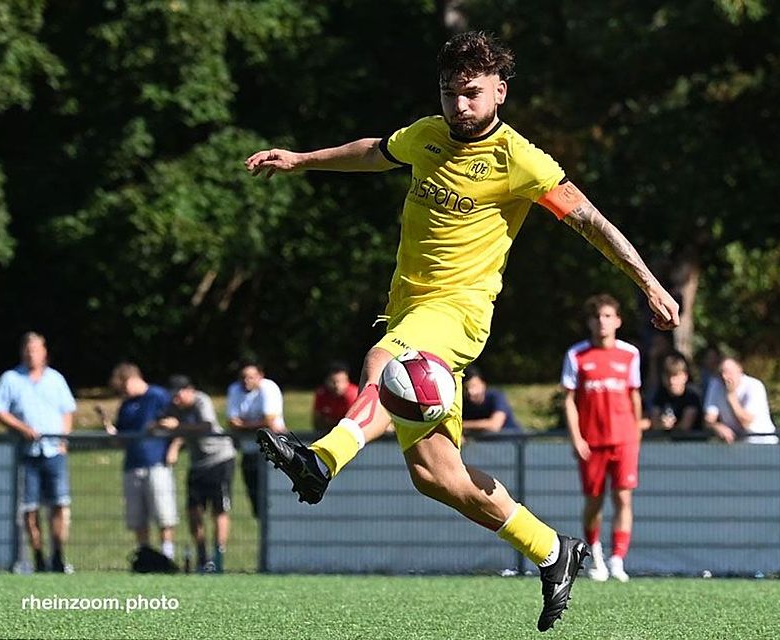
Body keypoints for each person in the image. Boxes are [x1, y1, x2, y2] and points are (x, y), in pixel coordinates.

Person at [246, 31, 679, 631]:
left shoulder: (520, 160)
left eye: (472, 92)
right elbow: (375, 151)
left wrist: (649, 283)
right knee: (438, 477)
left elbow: (591, 221)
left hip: (458, 312)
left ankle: (322, 459)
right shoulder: (427, 135)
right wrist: (300, 159)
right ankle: (553, 550)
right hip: (407, 308)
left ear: (501, 92)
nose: (460, 104)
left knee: (383, 363)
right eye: (450, 92)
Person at [561, 295, 642, 583]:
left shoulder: (630, 354)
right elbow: (569, 400)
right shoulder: (576, 355)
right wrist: (576, 438)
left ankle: (618, 558)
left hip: (624, 439)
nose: (602, 322)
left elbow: (634, 395)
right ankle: (594, 554)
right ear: (590, 323)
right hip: (592, 442)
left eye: (608, 316)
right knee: (594, 501)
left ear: (618, 320)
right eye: (597, 317)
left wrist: (636, 434)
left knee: (623, 497)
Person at [0, 332, 76, 573]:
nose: (32, 354)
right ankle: (38, 557)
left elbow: (68, 410)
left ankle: (57, 555)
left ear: (44, 352)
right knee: (29, 507)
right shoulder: (10, 378)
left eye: (36, 349)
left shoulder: (55, 379)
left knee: (59, 503)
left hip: (54, 452)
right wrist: (23, 428)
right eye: (28, 350)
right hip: (26, 453)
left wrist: (63, 439)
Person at [158, 375, 237, 572]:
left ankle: (218, 557)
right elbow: (165, 423)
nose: (176, 400)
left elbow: (206, 426)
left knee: (219, 510)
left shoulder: (201, 400)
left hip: (219, 459)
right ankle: (203, 557)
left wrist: (178, 428)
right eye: (173, 396)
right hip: (197, 464)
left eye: (178, 395)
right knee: (193, 511)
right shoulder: (175, 406)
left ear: (189, 390)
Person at [101, 363, 177, 560]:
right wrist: (111, 432)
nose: (123, 392)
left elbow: (177, 422)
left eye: (123, 387)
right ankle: (145, 555)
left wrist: (173, 446)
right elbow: (122, 437)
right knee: (137, 516)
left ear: (133, 379)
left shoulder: (158, 396)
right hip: (132, 465)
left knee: (163, 513)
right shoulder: (126, 405)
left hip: (157, 463)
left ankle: (167, 555)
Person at [226, 361, 286, 518]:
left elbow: (269, 421)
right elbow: (232, 422)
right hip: (249, 452)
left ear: (260, 376)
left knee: (276, 498)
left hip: (273, 452)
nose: (246, 381)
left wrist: (243, 425)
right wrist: (257, 425)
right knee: (256, 500)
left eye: (251, 377)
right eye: (243, 377)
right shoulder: (234, 389)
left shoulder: (269, 388)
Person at [703, 357, 777, 444]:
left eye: (729, 372)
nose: (724, 376)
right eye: (721, 372)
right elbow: (709, 419)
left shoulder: (754, 386)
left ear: (739, 371)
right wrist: (717, 427)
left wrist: (731, 396)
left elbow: (746, 422)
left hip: (761, 441)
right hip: (735, 443)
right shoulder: (716, 385)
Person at [649, 353, 703, 436]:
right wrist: (662, 425)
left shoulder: (692, 395)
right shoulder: (660, 394)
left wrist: (669, 427)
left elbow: (685, 426)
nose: (672, 381)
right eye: (668, 376)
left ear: (685, 376)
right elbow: (654, 421)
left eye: (675, 376)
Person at [461, 365, 522, 434]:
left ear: (483, 384)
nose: (470, 392)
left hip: (512, 438)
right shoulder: (463, 404)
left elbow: (494, 426)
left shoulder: (496, 397)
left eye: (473, 386)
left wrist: (462, 425)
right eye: (466, 388)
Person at [312, 362, 359, 436]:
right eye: (333, 382)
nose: (337, 386)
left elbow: (353, 423)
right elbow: (317, 419)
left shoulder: (353, 395)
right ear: (326, 381)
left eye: (341, 381)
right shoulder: (322, 393)